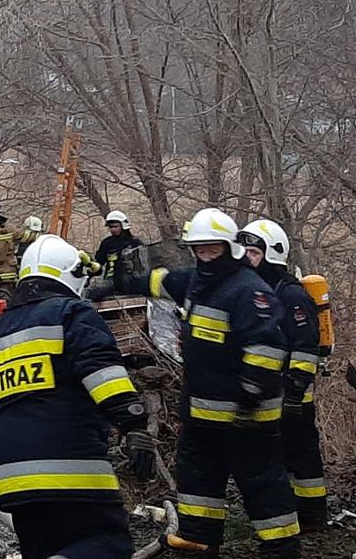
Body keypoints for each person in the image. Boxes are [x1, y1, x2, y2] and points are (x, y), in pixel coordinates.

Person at [88, 207, 298, 558]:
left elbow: (268, 344)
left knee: (264, 489)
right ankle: (200, 543)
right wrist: (113, 285)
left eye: (212, 249)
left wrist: (252, 389)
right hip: (201, 416)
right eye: (199, 249)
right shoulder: (196, 284)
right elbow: (157, 282)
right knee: (198, 488)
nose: (205, 256)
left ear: (229, 248)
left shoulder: (250, 291)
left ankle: (281, 549)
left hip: (246, 420)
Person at [0, 235, 155, 559]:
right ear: (69, 274)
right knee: (106, 547)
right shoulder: (72, 314)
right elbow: (104, 375)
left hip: (15, 483)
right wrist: (134, 423)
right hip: (75, 472)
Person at [238, 219, 328, 528]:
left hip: (293, 396)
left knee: (301, 455)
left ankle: (314, 514)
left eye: (252, 252)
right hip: (268, 395)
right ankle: (288, 508)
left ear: (272, 254)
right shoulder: (256, 292)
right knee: (275, 456)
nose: (246, 258)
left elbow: (305, 348)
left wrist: (294, 393)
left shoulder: (292, 296)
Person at [93, 211, 142, 278]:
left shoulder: (134, 242)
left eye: (115, 226)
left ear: (123, 226)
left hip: (131, 281)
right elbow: (99, 262)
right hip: (110, 282)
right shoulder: (106, 243)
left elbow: (143, 263)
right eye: (110, 227)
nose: (112, 229)